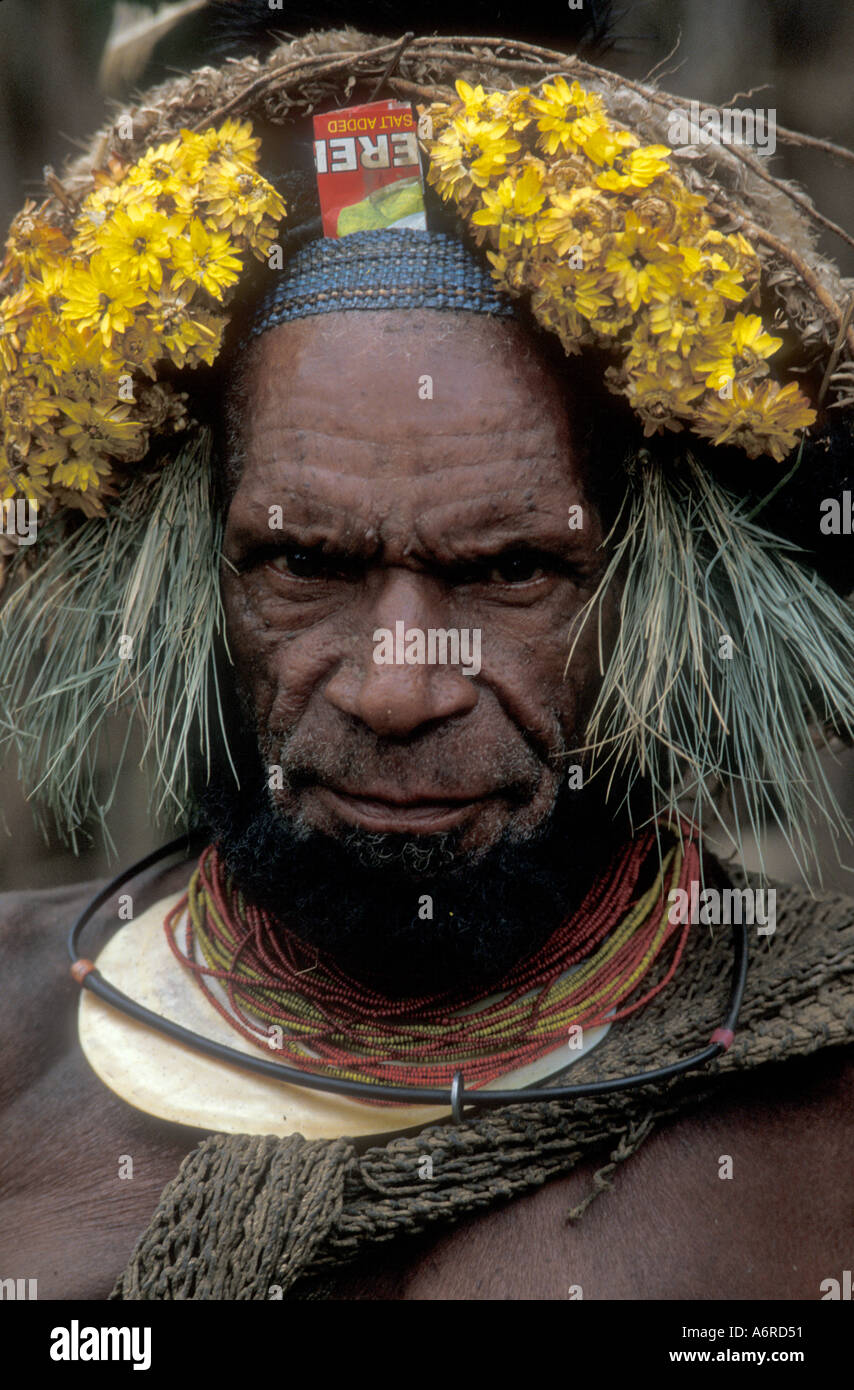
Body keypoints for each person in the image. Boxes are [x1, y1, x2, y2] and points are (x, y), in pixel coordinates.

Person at [1, 9, 853, 1301]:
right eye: (305, 564)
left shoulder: (820, 1108)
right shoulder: (12, 1043)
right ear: (195, 576)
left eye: (510, 569)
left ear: (654, 586)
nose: (397, 684)